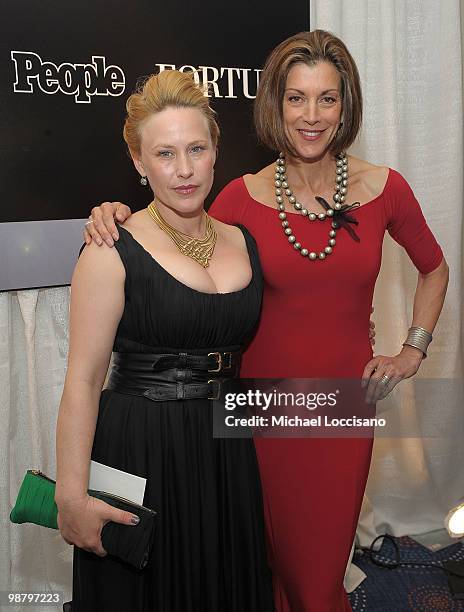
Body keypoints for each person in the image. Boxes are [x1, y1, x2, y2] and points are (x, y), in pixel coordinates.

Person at [84, 31, 449, 612]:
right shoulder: (240, 197)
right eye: (296, 98)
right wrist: (114, 212)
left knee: (316, 575)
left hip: (338, 411)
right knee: (263, 563)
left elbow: (434, 269)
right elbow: (174, 227)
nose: (312, 115)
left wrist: (412, 350)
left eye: (327, 98)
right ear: (274, 106)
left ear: (346, 106)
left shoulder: (386, 189)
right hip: (253, 416)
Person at [55, 69, 275, 612]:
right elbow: (81, 382)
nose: (183, 170)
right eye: (165, 153)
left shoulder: (242, 239)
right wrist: (71, 496)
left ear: (216, 150)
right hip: (142, 447)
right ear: (138, 163)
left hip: (226, 447)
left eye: (196, 148)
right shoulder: (110, 249)